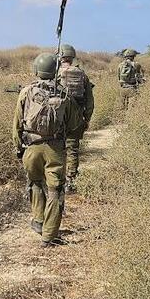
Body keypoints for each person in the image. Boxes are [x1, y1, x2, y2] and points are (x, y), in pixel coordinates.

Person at [12, 53, 83, 248]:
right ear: (55, 71)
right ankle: (49, 236)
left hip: (31, 148)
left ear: (36, 70)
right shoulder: (64, 95)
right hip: (55, 150)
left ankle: (38, 220)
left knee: (35, 183)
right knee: (55, 191)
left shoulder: (26, 92)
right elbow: (75, 125)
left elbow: (17, 124)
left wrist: (19, 147)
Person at [57, 44, 95, 193]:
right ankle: (70, 180)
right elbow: (89, 100)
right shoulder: (82, 74)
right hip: (76, 116)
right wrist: (87, 118)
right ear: (72, 57)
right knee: (72, 148)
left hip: (58, 115)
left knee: (57, 147)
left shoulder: (54, 74)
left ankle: (55, 178)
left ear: (60, 57)